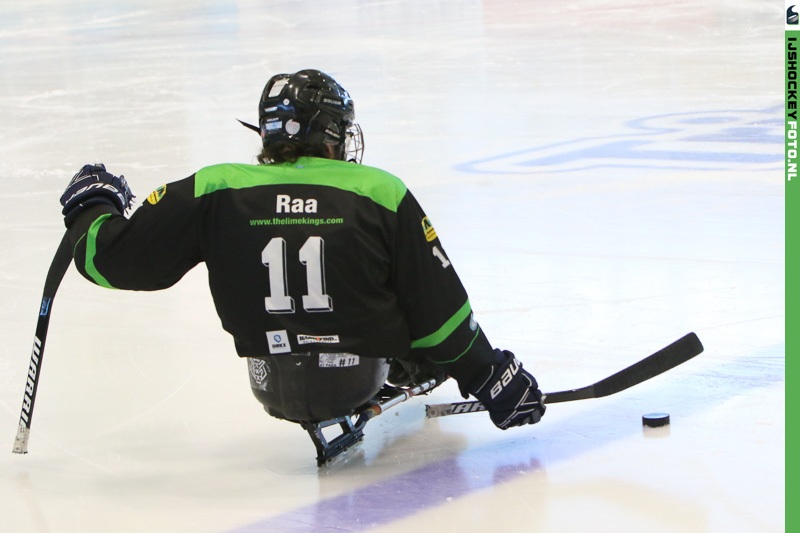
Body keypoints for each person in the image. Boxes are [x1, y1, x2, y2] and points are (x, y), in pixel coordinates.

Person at [60, 69, 545, 457]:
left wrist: (92, 209)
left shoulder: (216, 188)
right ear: (333, 135)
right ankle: (410, 366)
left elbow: (112, 261)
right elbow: (439, 311)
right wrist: (488, 375)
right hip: (357, 377)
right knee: (398, 278)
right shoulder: (378, 190)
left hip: (271, 382)